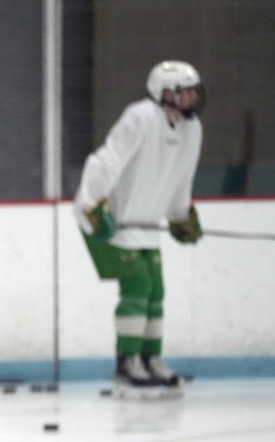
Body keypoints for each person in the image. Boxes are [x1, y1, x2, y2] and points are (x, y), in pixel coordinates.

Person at [74, 60, 204, 397]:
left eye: (193, 90)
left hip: (145, 225)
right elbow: (108, 159)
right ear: (165, 93)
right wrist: (93, 203)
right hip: (111, 220)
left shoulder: (192, 130)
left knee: (156, 289)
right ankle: (127, 363)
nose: (192, 96)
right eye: (184, 90)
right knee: (138, 284)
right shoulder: (140, 117)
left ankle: (151, 359)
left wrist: (180, 216)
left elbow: (181, 178)